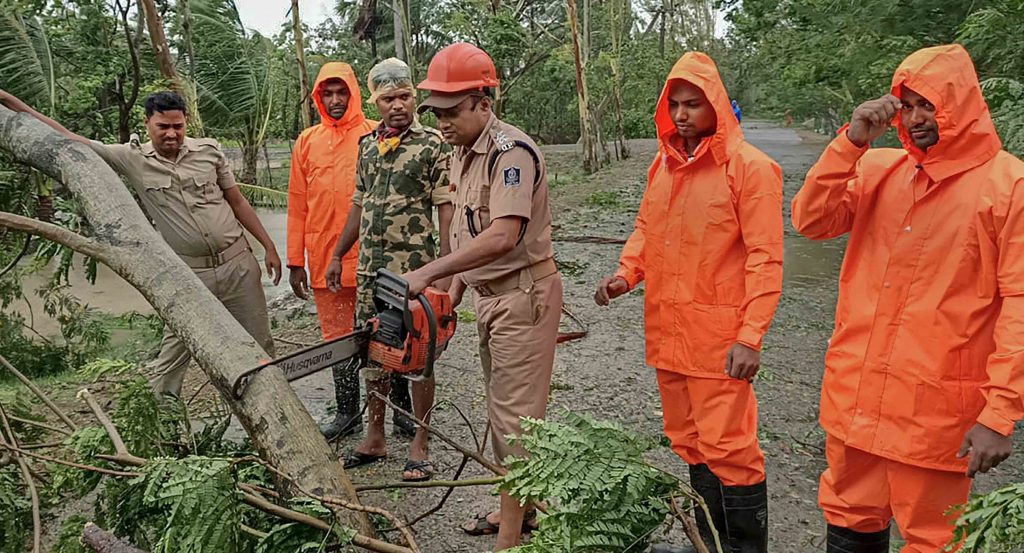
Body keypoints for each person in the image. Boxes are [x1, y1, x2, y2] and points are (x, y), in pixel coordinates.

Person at [792, 44, 1024, 552]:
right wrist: (850, 142)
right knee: (849, 518)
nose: (917, 118)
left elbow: (1020, 307)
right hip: (855, 399)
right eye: (909, 104)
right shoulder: (880, 170)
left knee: (935, 538)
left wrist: (1000, 413)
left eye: (929, 104)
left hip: (935, 415)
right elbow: (810, 220)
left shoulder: (1009, 186)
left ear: (960, 103)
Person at [595, 52, 782, 553]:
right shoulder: (665, 164)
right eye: (674, 104)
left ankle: (744, 548)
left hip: (720, 342)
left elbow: (766, 259)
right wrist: (624, 275)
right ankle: (711, 544)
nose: (682, 115)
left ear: (716, 106)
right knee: (689, 440)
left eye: (693, 104)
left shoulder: (751, 170)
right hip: (668, 330)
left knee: (731, 449)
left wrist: (750, 336)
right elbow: (646, 230)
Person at [0, 89, 280, 397]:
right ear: (147, 123)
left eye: (178, 126)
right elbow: (68, 137)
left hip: (238, 265)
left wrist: (268, 246)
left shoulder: (209, 151)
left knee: (261, 345)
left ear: (185, 122)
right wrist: (9, 102)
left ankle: (274, 406)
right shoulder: (130, 158)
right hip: (190, 276)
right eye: (163, 127)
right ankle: (167, 429)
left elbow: (237, 202)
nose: (172, 133)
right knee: (172, 357)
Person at [400, 42, 562, 551]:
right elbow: (465, 236)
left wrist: (426, 273)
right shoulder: (462, 156)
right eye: (437, 112)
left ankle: (510, 539)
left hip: (522, 295)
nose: (442, 122)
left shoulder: (509, 155)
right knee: (503, 413)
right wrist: (448, 297)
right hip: (490, 296)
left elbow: (501, 236)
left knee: (515, 419)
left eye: (452, 111)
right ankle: (524, 507)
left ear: (483, 102)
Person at [324, 58, 454, 481]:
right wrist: (337, 255)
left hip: (415, 271)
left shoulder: (433, 144)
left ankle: (420, 442)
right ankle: (374, 436)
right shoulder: (367, 146)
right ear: (376, 101)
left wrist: (447, 272)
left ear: (414, 97)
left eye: (404, 97)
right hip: (369, 273)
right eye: (388, 99)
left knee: (419, 358)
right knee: (374, 355)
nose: (398, 105)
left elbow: (446, 209)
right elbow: (358, 207)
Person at [286, 62, 415, 439]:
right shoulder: (306, 142)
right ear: (318, 98)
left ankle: (401, 412)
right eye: (328, 93)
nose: (336, 99)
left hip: (378, 261)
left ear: (356, 93)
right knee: (338, 342)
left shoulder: (376, 135)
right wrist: (296, 262)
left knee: (390, 335)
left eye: (342, 91)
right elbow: (297, 205)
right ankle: (347, 414)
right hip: (327, 263)